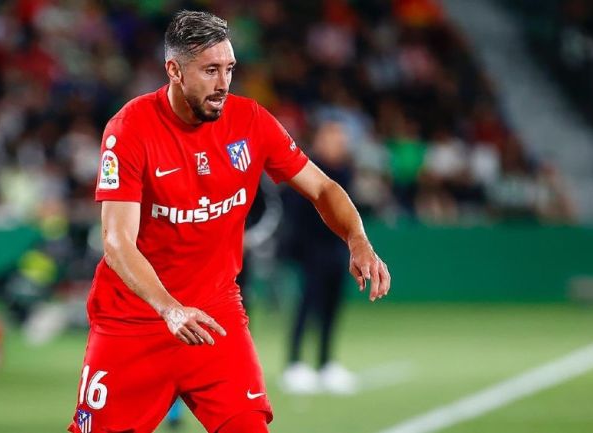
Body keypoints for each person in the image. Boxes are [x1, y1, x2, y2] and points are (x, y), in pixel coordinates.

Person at [68, 10, 390, 433]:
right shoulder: (130, 130)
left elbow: (323, 188)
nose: (223, 84)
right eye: (210, 71)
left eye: (229, 69)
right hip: (133, 321)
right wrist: (169, 308)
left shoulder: (251, 121)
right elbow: (116, 240)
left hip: (215, 317)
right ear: (174, 70)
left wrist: (357, 238)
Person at [281, 121, 357, 394]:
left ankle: (326, 363)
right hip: (310, 251)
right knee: (306, 306)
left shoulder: (345, 172)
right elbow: (295, 213)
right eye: (333, 138)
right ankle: (294, 363)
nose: (339, 144)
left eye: (341, 139)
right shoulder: (305, 169)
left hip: (337, 250)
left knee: (332, 308)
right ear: (321, 141)